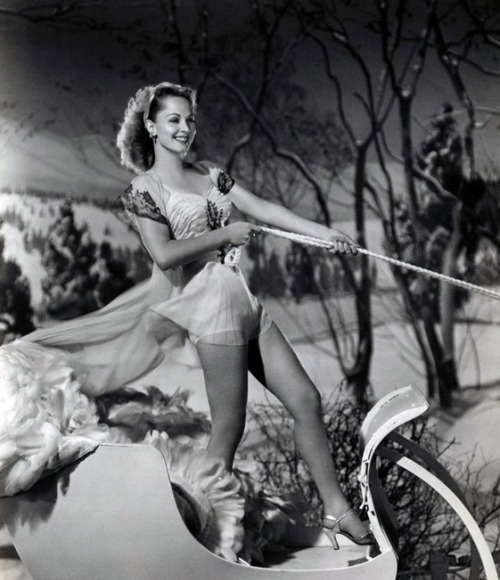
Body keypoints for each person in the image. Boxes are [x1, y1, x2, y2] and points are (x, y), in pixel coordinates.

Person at [112, 81, 373, 550]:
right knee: (229, 429)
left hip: (242, 301)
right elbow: (165, 255)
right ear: (151, 126)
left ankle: (336, 510)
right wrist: (224, 234)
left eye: (190, 119)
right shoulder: (143, 189)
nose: (185, 128)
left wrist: (326, 234)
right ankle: (198, 538)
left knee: (306, 400)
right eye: (173, 119)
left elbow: (264, 208)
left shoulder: (210, 173)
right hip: (210, 309)